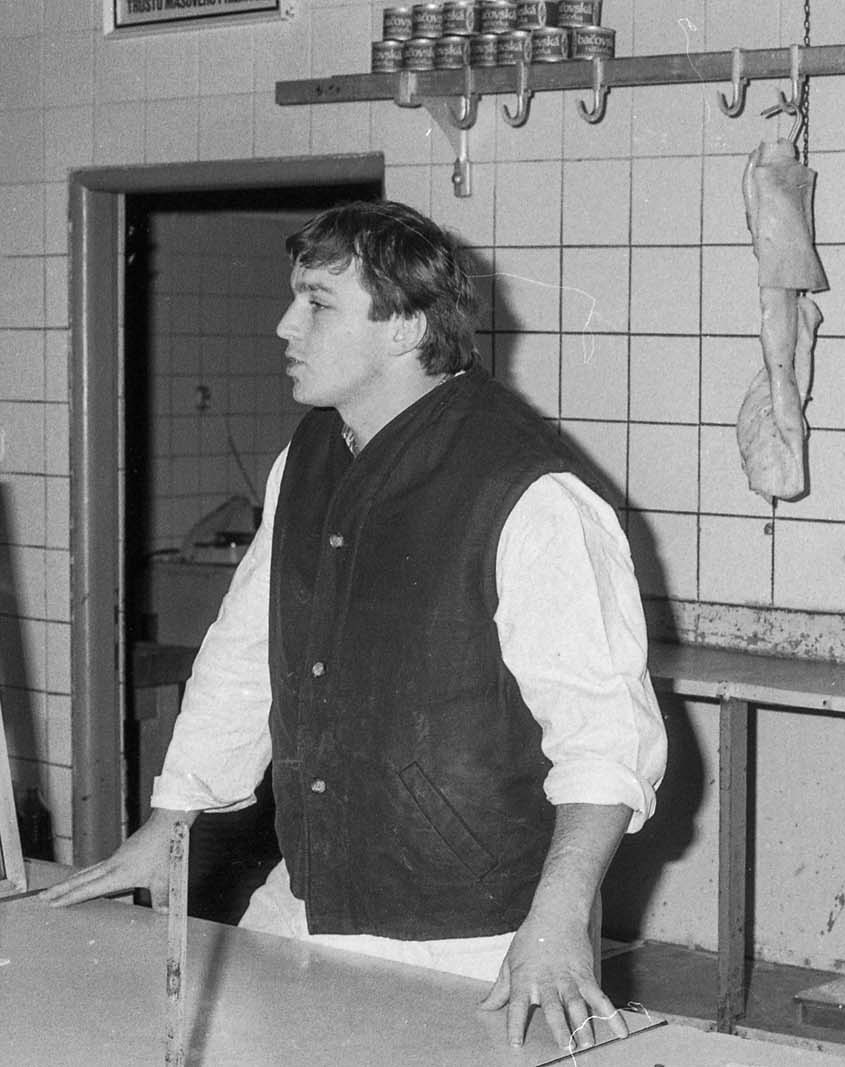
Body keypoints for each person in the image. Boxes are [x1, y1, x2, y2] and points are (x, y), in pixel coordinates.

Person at [44, 199, 668, 1054]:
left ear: (405, 326)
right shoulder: (307, 456)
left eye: (317, 303)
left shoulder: (531, 489)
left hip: (474, 933)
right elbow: (243, 655)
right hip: (313, 897)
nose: (284, 324)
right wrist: (174, 819)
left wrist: (557, 921)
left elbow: (606, 740)